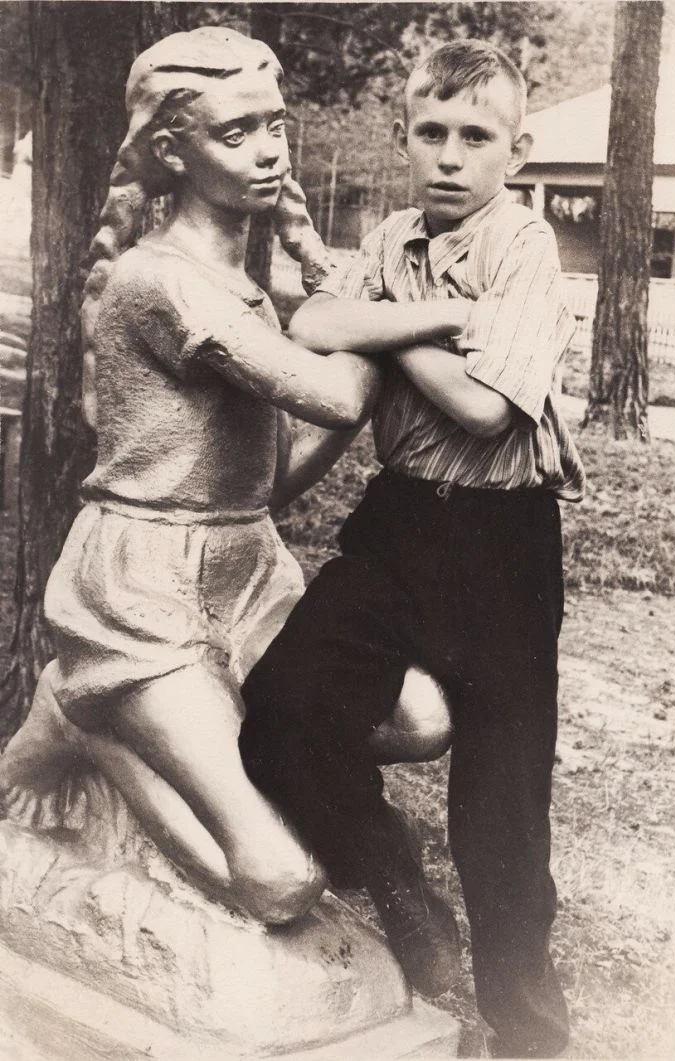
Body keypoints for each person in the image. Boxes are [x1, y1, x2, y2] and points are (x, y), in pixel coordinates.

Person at [0, 28, 465, 925]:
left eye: (275, 126)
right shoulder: (160, 284)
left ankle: (125, 726)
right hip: (142, 588)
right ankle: (88, 722)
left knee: (423, 719)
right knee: (281, 880)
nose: (268, 153)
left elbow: (271, 479)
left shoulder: (243, 288)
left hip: (247, 566)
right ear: (173, 153)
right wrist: (399, 313)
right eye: (236, 132)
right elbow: (338, 390)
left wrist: (360, 330)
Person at [239, 38, 585, 1056]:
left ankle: (529, 1034)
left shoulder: (525, 246)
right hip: (397, 528)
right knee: (283, 709)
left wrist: (386, 323)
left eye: (475, 136)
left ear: (516, 151)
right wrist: (435, 316)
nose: (450, 155)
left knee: (503, 813)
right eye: (430, 131)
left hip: (504, 545)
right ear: (402, 136)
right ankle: (395, 877)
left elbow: (483, 410)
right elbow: (314, 321)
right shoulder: (390, 235)